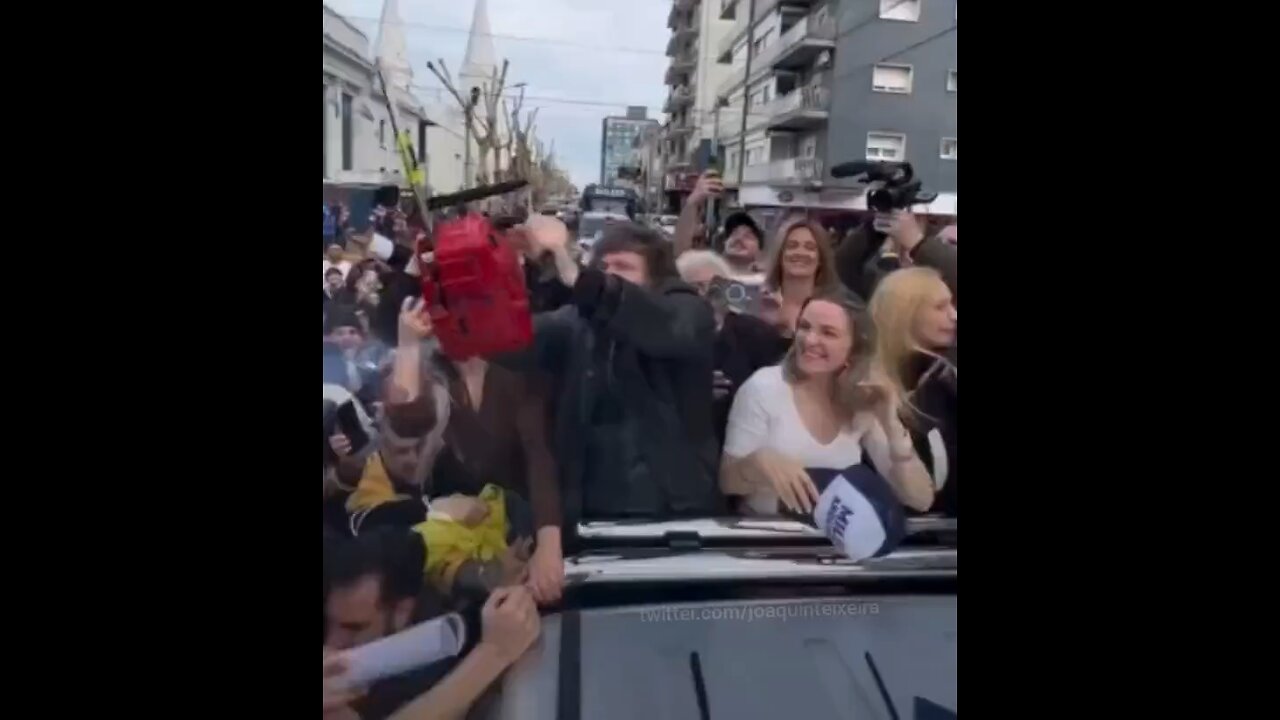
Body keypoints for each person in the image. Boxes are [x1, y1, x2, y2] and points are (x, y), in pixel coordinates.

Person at [498, 215, 722, 520]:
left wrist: (579, 274)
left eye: (624, 267)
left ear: (655, 277)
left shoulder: (687, 311)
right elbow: (511, 341)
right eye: (604, 267)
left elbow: (662, 325)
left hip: (669, 508)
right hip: (587, 507)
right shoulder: (576, 322)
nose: (611, 274)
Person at [366, 297, 564, 604]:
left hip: (518, 533)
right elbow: (406, 420)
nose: (454, 325)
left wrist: (549, 543)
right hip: (445, 548)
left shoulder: (518, 374)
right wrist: (408, 346)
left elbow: (539, 458)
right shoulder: (426, 374)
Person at [719, 287, 936, 515]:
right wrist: (758, 463)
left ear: (855, 347)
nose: (810, 340)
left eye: (828, 333)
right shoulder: (763, 387)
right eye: (804, 327)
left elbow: (920, 499)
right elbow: (727, 482)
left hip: (832, 541)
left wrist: (892, 427)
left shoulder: (861, 398)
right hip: (765, 537)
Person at [322, 530, 540, 720]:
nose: (333, 642)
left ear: (401, 612)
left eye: (355, 628)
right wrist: (494, 653)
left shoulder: (443, 657)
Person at [676, 250, 788, 447]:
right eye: (696, 287)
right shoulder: (665, 335)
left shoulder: (756, 333)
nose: (706, 295)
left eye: (715, 287)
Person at [869, 267, 958, 517]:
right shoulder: (875, 387)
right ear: (906, 314)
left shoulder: (944, 376)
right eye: (940, 307)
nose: (954, 316)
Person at [834, 209, 957, 307]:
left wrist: (918, 243)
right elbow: (845, 266)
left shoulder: (944, 243)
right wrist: (878, 224)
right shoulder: (881, 274)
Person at [761, 216, 843, 337]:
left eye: (810, 248)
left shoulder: (836, 310)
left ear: (820, 259)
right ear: (780, 255)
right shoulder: (761, 303)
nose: (800, 253)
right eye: (792, 246)